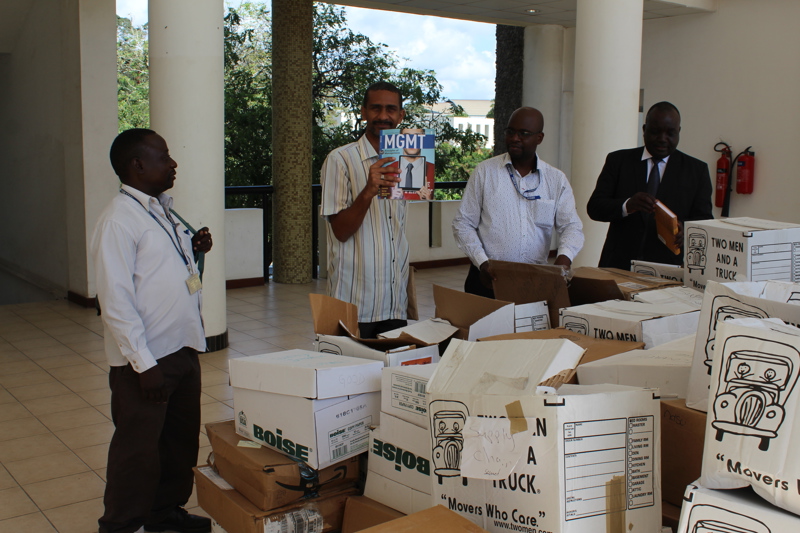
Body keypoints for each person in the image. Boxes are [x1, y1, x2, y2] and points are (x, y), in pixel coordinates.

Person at [92, 128, 213, 533]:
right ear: (137, 165)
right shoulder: (117, 220)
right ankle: (121, 525)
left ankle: (165, 514)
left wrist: (195, 250)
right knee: (137, 452)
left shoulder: (160, 210)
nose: (173, 163)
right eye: (163, 156)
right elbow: (115, 300)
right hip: (145, 361)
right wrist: (143, 364)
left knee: (179, 444)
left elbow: (170, 274)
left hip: (181, 350)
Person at [452, 107, 584, 298]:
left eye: (523, 133)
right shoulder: (485, 172)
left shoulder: (556, 180)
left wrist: (564, 260)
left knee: (528, 328)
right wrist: (482, 262)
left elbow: (571, 226)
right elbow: (463, 224)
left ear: (539, 138)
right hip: (487, 279)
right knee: (486, 328)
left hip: (533, 281)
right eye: (510, 132)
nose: (515, 138)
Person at [320, 82, 409, 339]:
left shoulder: (410, 158)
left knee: (390, 375)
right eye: (376, 108)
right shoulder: (340, 159)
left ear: (401, 115)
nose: (383, 116)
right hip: (353, 300)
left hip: (394, 300)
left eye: (391, 109)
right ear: (363, 112)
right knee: (349, 375)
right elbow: (340, 231)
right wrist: (368, 190)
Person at [587, 101, 713, 269]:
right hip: (618, 264)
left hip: (667, 268)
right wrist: (627, 205)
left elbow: (704, 220)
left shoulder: (697, 170)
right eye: (655, 132)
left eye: (670, 133)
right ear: (644, 129)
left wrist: (687, 229)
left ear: (679, 132)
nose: (662, 139)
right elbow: (594, 208)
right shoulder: (618, 161)